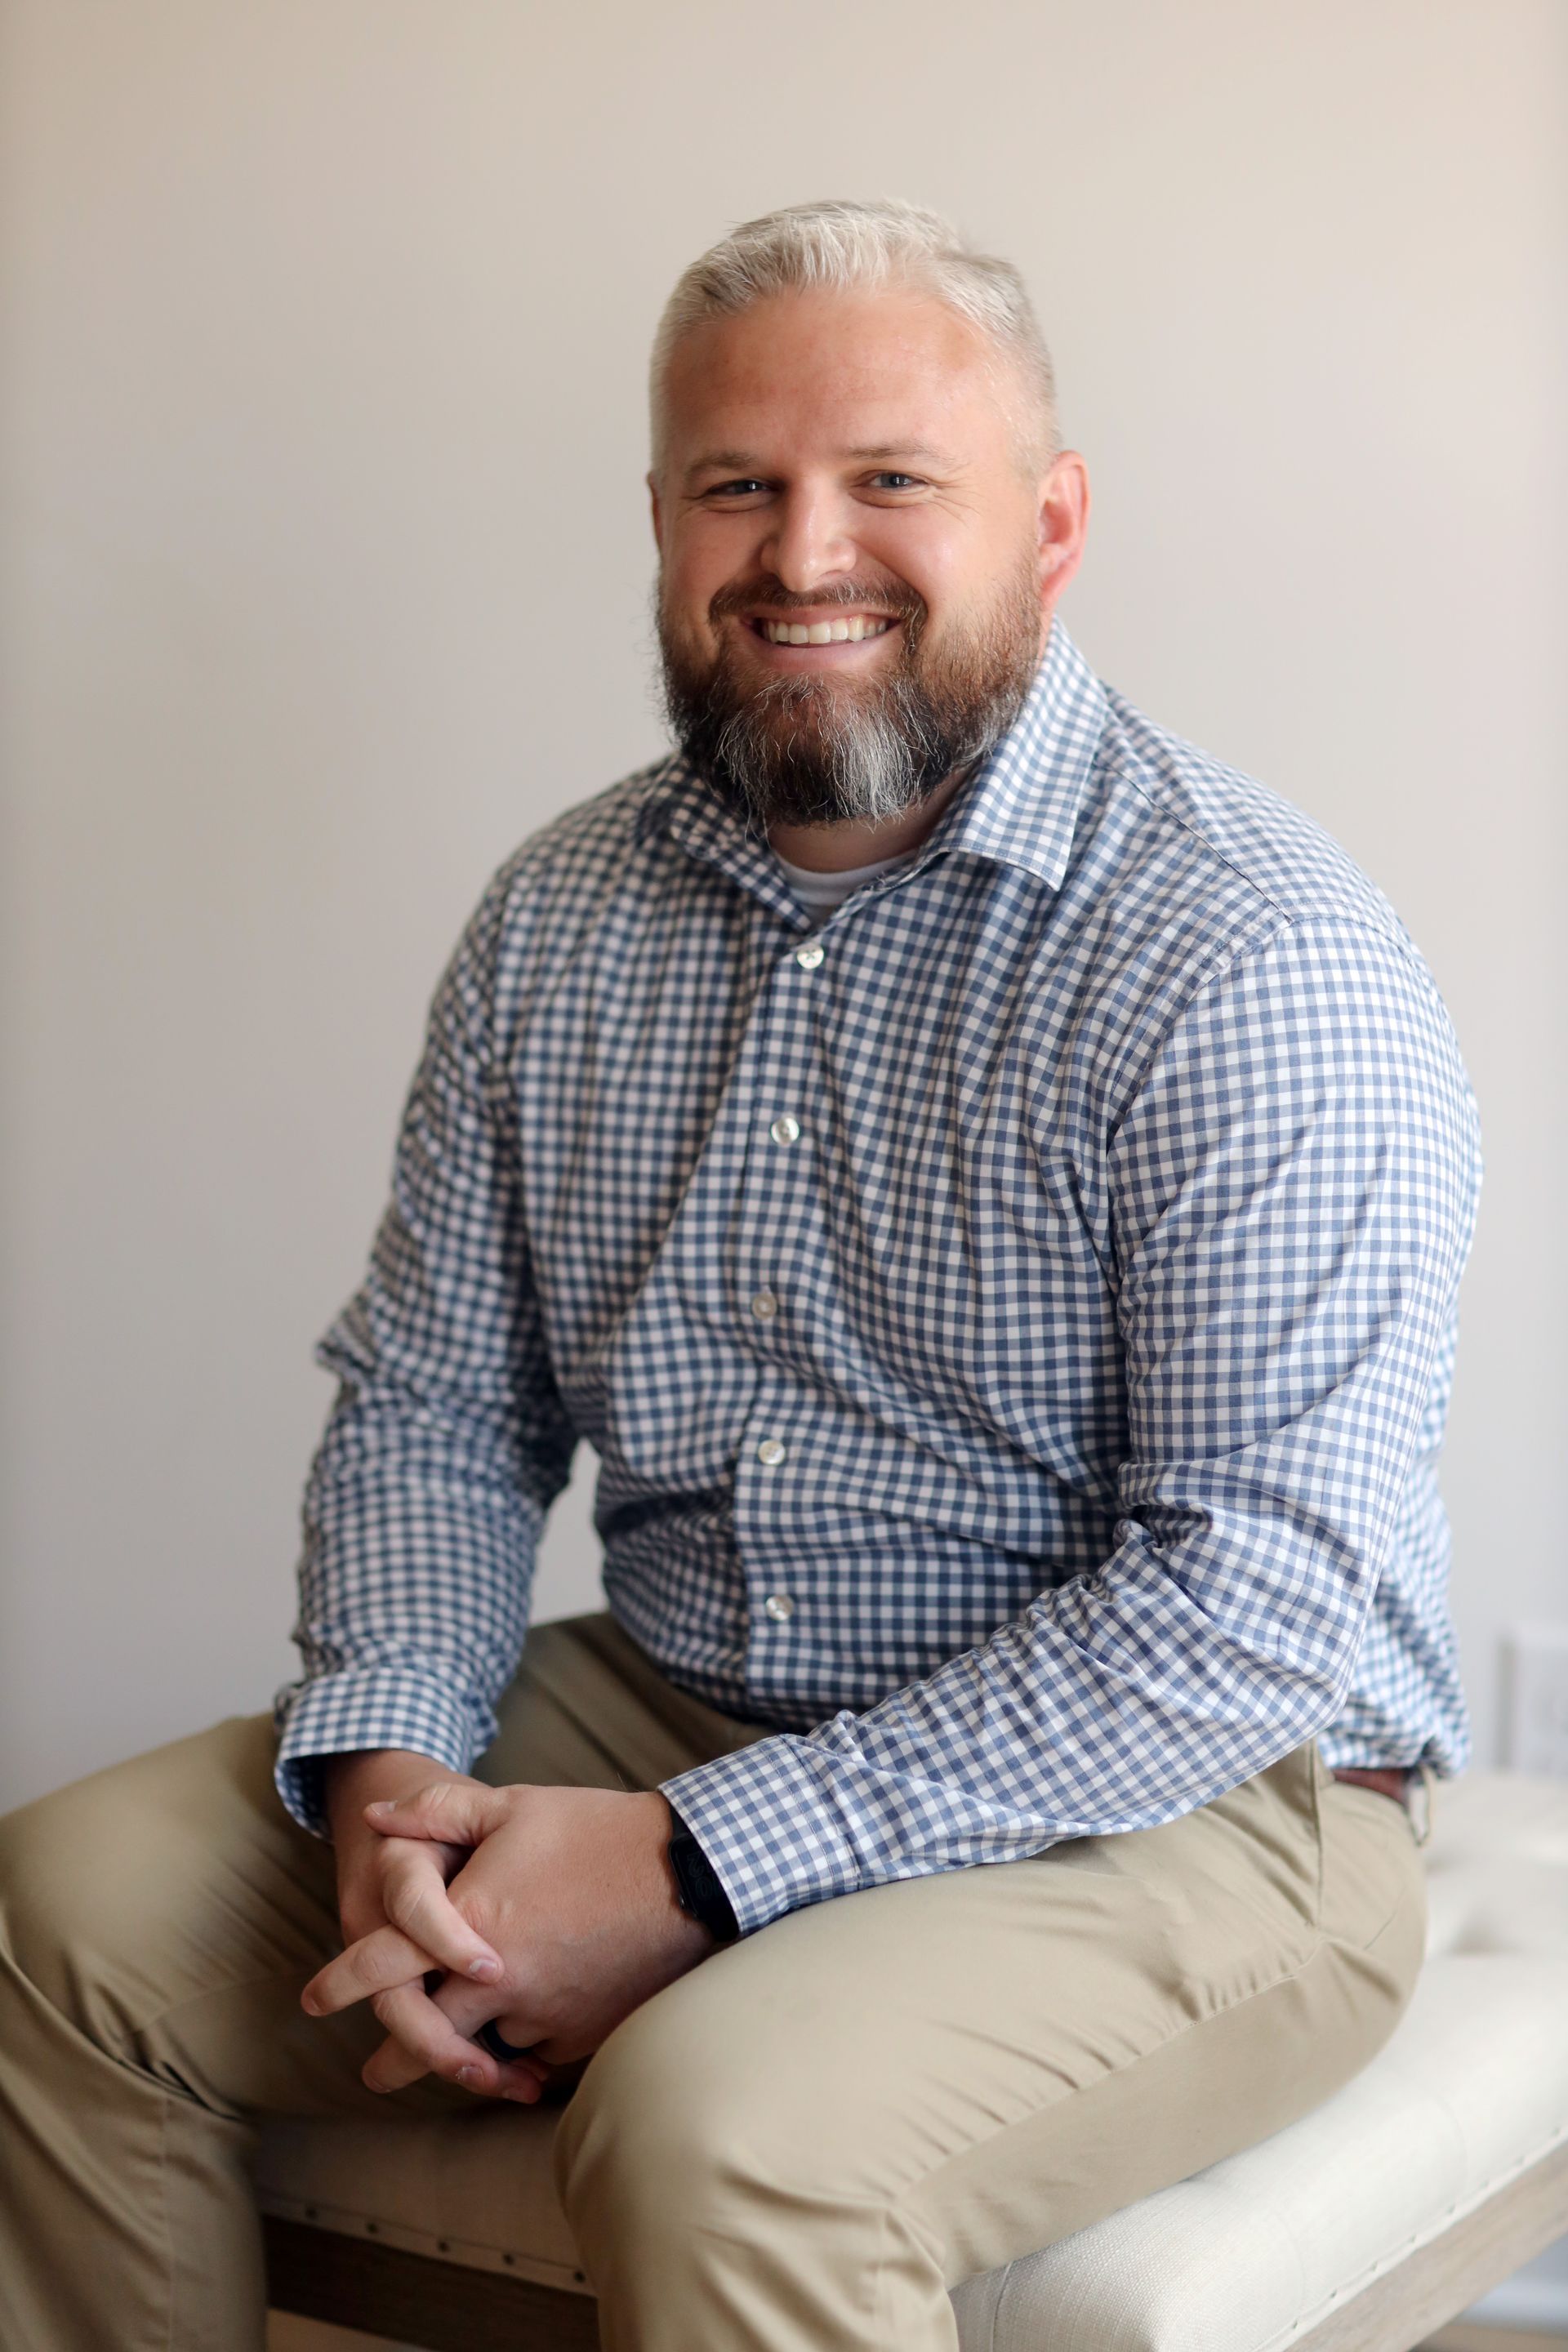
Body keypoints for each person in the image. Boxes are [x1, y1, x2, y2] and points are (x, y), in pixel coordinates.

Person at [0, 199, 1481, 2352]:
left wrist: (688, 1867)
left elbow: (1243, 1607)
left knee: (721, 2127)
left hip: (1187, 1792)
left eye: (892, 480)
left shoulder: (1253, 957)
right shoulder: (558, 918)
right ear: (664, 521)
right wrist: (400, 1786)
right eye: (738, 486)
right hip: (686, 1683)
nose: (805, 554)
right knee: (68, 1916)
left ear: (1049, 526)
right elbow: (434, 1409)